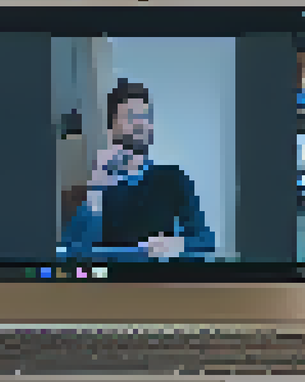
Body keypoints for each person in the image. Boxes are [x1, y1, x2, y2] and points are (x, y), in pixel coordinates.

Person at [60, 79, 215, 260]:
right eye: (131, 116)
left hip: (159, 284)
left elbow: (206, 240)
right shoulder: (100, 186)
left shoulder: (173, 178)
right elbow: (70, 254)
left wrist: (180, 244)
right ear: (112, 128)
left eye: (146, 116)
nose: (141, 123)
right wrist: (96, 190)